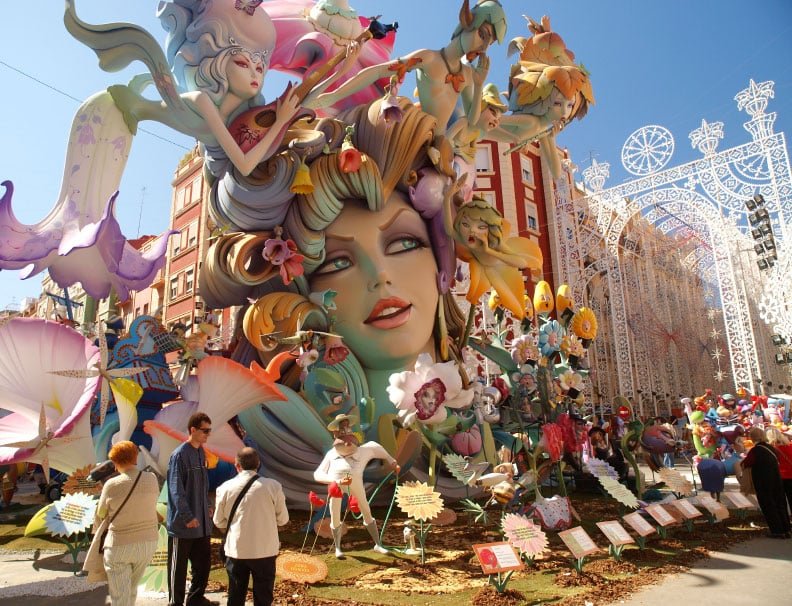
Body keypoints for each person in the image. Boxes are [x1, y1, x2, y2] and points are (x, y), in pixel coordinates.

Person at [314, 416, 400, 559]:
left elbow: (377, 448)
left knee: (366, 510)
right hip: (336, 488)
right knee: (335, 513)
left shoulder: (364, 451)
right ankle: (337, 548)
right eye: (343, 438)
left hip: (357, 486)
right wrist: (335, 481)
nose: (347, 443)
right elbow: (318, 474)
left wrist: (393, 463)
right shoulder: (331, 454)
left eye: (349, 438)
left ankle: (378, 544)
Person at [214, 447, 288, 606]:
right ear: (258, 464)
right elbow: (283, 519)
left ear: (237, 465)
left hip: (236, 549)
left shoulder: (225, 488)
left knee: (235, 596)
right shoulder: (273, 486)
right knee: (263, 597)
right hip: (265, 549)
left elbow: (218, 521)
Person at [95, 441, 159, 606]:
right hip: (147, 542)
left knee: (119, 596)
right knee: (131, 589)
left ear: (114, 461)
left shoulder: (111, 485)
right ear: (135, 458)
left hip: (119, 544)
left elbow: (101, 513)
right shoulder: (152, 479)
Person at [167, 412, 215, 606]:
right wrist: (187, 516)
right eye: (205, 431)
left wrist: (208, 506)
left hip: (202, 524)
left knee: (202, 565)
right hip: (183, 525)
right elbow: (175, 489)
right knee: (178, 568)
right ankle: (175, 602)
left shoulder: (201, 452)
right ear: (193, 430)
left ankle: (196, 599)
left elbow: (203, 484)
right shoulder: (179, 455)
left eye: (209, 431)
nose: (208, 434)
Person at [741, 426, 791, 538]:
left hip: (764, 481)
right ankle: (786, 529)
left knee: (768, 505)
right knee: (780, 503)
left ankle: (777, 531)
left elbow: (746, 463)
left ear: (752, 438)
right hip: (777, 479)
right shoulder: (771, 448)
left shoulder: (755, 450)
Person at [765, 427, 792, 521]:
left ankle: (785, 523)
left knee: (781, 503)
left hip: (779, 477)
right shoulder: (790, 446)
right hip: (791, 476)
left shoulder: (771, 449)